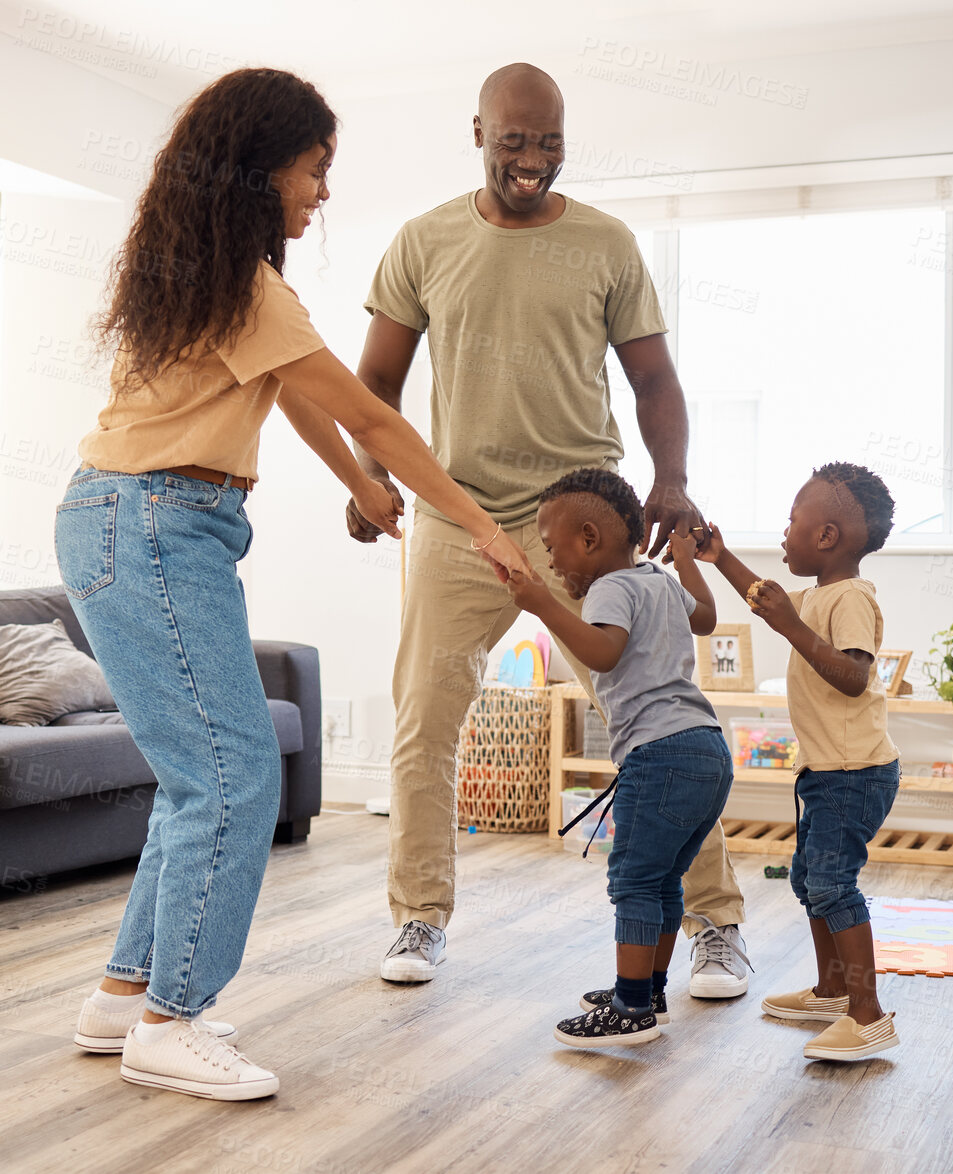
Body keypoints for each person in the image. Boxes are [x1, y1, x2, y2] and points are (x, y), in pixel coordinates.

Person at [57, 67, 533, 1101]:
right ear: (260, 167)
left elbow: (305, 403)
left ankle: (123, 996)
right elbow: (375, 412)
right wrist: (482, 522)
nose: (321, 193)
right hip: (152, 524)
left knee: (200, 776)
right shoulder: (242, 284)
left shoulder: (211, 276)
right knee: (235, 775)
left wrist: (362, 485)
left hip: (136, 519)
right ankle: (171, 1023)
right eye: (315, 170)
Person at [347, 62, 751, 996]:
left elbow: (653, 380)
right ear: (478, 132)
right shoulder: (424, 240)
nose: (533, 159)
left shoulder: (606, 243)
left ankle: (717, 923)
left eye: (550, 141)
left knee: (656, 721)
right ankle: (418, 918)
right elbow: (374, 385)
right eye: (515, 140)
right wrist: (371, 475)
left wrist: (673, 480)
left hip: (588, 516)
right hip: (459, 514)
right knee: (424, 721)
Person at [505, 469, 735, 1047]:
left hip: (658, 753)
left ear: (589, 537)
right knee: (663, 879)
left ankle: (631, 1008)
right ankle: (650, 988)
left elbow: (603, 654)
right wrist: (686, 559)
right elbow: (706, 618)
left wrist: (540, 605)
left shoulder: (610, 586)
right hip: (706, 746)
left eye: (553, 548)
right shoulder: (656, 579)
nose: (553, 564)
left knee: (634, 878)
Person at [693, 462, 903, 1061]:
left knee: (835, 885)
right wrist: (721, 557)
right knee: (811, 882)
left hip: (854, 773)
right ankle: (833, 991)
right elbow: (767, 601)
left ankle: (867, 1015)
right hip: (825, 771)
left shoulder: (852, 598)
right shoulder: (817, 595)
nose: (784, 533)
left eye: (792, 521)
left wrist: (790, 625)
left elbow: (854, 678)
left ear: (827, 537)